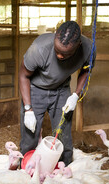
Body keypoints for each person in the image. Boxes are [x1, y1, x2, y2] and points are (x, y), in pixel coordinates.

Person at [19, 21, 95, 166]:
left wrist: (75, 95)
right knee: (30, 135)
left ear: (78, 45)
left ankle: (63, 171)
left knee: (63, 134)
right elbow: (23, 75)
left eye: (65, 54)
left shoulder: (88, 48)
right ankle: (26, 170)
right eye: (57, 50)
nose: (60, 56)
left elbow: (86, 70)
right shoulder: (39, 48)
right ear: (54, 38)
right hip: (35, 90)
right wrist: (28, 108)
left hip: (61, 89)